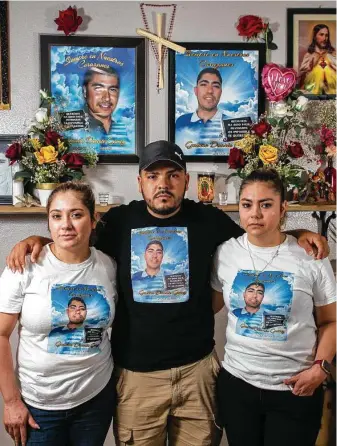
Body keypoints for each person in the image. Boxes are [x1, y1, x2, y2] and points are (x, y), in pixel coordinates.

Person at [6, 141, 329, 446]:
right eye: (153, 175)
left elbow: (260, 239)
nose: (163, 183)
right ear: (140, 181)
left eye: (173, 175)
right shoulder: (119, 221)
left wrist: (299, 234)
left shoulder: (209, 220)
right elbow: (72, 239)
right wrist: (36, 240)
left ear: (186, 181)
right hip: (137, 377)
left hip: (196, 373)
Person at [211, 169, 336, 446]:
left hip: (295, 389)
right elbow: (209, 308)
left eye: (265, 204)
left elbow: (331, 321)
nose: (255, 213)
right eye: (247, 204)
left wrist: (320, 368)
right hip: (238, 385)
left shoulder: (310, 256)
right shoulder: (225, 253)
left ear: (283, 209)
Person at [0, 182, 117, 446]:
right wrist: (11, 402)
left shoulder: (108, 266)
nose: (66, 224)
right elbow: (0, 335)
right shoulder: (25, 266)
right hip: (40, 405)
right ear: (49, 222)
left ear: (93, 219)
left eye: (76, 214)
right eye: (57, 216)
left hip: (95, 398)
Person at [175, 68, 227, 146]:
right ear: (196, 91)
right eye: (203, 84)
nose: (210, 91)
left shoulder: (231, 124)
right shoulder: (181, 122)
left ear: (221, 92)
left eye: (215, 86)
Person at [82, 66, 127, 138]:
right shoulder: (71, 129)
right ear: (85, 91)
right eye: (98, 89)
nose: (107, 98)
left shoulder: (126, 130)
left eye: (112, 89)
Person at [299, 24, 336, 95]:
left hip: (332, 90)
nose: (324, 38)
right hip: (313, 90)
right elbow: (303, 75)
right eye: (321, 35)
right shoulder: (309, 55)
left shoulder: (333, 54)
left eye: (326, 35)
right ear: (315, 36)